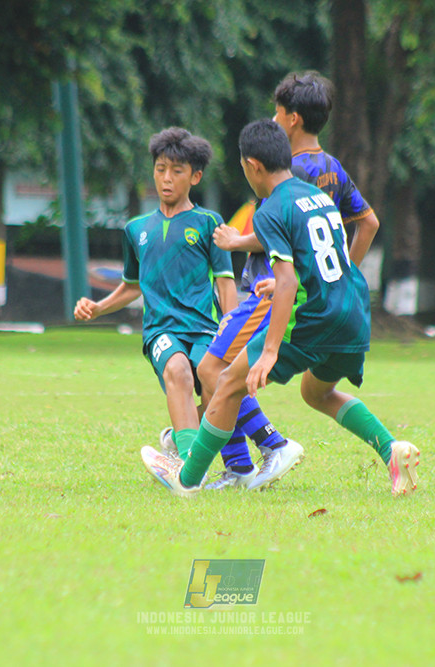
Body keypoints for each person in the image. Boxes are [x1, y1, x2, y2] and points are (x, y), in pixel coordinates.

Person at [141, 118, 420, 497]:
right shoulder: (317, 195)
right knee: (316, 393)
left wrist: (269, 351)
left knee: (225, 383)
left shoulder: (272, 209)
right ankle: (392, 449)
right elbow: (325, 259)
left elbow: (287, 282)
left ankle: (187, 480)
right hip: (353, 313)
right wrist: (287, 281)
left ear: (253, 166)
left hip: (312, 320)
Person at [195, 70, 380, 490]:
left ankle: (255, 453)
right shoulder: (333, 168)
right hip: (315, 297)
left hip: (280, 294)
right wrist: (340, 275)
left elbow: (277, 228)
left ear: (292, 119)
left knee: (213, 370)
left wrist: (236, 241)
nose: (273, 121)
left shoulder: (284, 170)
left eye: (277, 113)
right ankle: (242, 459)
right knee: (297, 389)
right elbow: (367, 223)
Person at [74, 128, 237, 452]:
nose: (166, 178)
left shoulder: (209, 223)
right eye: (160, 169)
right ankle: (190, 469)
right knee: (177, 370)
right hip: (161, 330)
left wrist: (231, 337)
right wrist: (98, 306)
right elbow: (132, 286)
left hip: (205, 329)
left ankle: (180, 441)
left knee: (217, 390)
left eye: (177, 171)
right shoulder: (136, 229)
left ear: (195, 176)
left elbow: (225, 282)